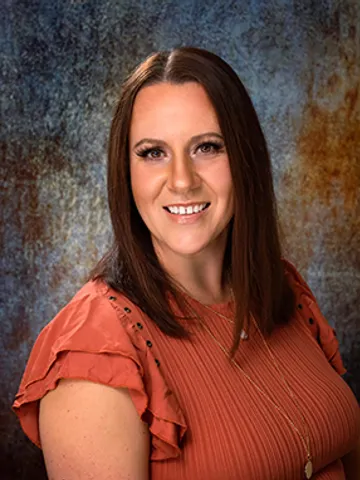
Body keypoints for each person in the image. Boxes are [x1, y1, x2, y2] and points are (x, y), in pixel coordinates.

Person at [13, 47, 359, 480]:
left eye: (207, 147)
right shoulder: (94, 352)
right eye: (153, 153)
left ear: (245, 158)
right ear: (126, 171)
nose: (181, 180)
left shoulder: (284, 291)